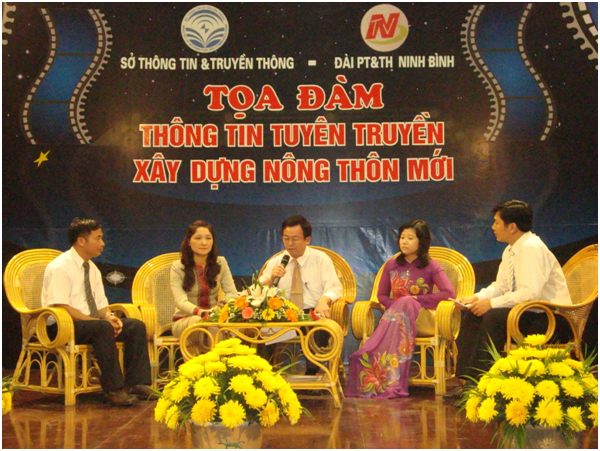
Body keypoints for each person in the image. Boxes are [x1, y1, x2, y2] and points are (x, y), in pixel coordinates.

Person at [445, 200, 572, 399]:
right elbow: (500, 286)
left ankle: (485, 384)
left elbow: (531, 293)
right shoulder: (510, 250)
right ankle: (469, 381)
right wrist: (477, 298)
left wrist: (491, 304)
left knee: (493, 316)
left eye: (497, 222)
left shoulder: (531, 248)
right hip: (527, 313)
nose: (493, 227)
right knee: (473, 314)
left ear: (512, 227)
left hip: (550, 319)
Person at [42, 218, 153, 406]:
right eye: (98, 238)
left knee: (135, 325)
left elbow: (100, 304)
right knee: (102, 328)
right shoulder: (60, 267)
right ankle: (114, 389)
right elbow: (61, 306)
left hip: (92, 325)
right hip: (62, 325)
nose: (102, 243)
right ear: (81, 241)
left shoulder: (91, 268)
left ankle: (137, 383)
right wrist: (98, 322)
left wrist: (110, 317)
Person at [345, 220, 455, 398]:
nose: (404, 242)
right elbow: (381, 296)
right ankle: (383, 379)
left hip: (422, 317)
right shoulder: (391, 265)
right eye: (402, 237)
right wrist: (398, 307)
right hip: (396, 318)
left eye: (410, 238)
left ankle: (386, 375)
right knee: (403, 304)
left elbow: (448, 293)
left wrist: (415, 299)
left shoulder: (431, 265)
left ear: (421, 241)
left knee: (407, 302)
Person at [259, 215, 343, 375]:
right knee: (262, 328)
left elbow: (335, 287)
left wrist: (324, 300)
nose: (290, 244)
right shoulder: (276, 262)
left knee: (319, 327)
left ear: (307, 239)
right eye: (286, 238)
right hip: (283, 314)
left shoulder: (321, 259)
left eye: (295, 239)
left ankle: (311, 375)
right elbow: (257, 292)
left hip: (311, 312)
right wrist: (271, 279)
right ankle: (265, 375)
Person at [170, 220, 237, 338]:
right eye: (198, 238)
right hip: (186, 319)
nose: (204, 243)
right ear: (189, 242)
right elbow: (180, 301)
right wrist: (200, 312)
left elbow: (232, 293)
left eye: (208, 238)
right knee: (198, 322)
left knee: (223, 325)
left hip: (214, 317)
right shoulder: (178, 267)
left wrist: (218, 309)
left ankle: (220, 351)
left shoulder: (221, 262)